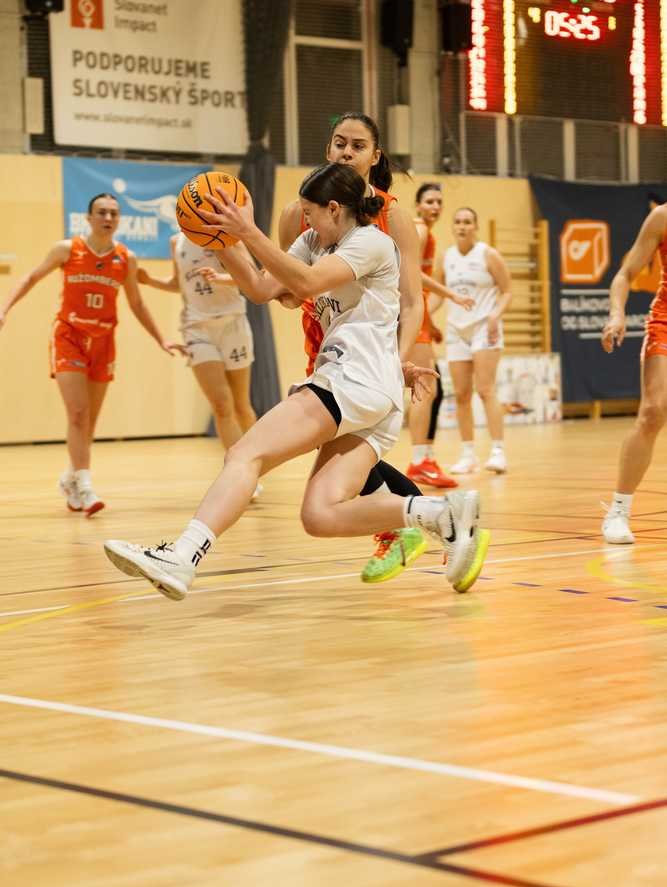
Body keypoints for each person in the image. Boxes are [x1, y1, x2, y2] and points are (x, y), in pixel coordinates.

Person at [103, 164, 490, 599]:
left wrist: (248, 231)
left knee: (244, 454)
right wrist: (223, 240)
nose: (304, 221)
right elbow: (259, 288)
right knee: (319, 515)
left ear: (334, 208)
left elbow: (305, 282)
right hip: (370, 388)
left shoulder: (371, 242)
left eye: (310, 213)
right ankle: (440, 513)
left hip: (353, 378)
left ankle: (182, 556)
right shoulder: (312, 242)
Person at [279, 112, 433, 583]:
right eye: (339, 142)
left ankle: (413, 524)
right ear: (328, 149)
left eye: (358, 145)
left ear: (375, 156)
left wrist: (399, 357)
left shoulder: (392, 214)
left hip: (373, 348)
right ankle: (435, 521)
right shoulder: (297, 213)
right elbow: (290, 289)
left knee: (343, 449)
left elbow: (412, 299)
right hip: (326, 339)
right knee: (342, 449)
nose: (346, 151)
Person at [0, 192, 177, 515]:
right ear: (89, 218)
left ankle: (70, 477)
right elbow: (31, 277)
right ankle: (85, 486)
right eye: (102, 212)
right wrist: (5, 307)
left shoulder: (126, 258)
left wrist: (161, 339)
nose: (108, 218)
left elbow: (137, 303)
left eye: (113, 213)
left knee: (89, 422)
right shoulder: (67, 249)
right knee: (78, 413)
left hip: (104, 340)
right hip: (69, 336)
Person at [136, 233, 257, 451]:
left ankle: (258, 459)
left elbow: (253, 275)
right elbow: (179, 283)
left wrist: (220, 278)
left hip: (232, 323)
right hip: (197, 329)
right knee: (221, 405)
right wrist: (150, 281)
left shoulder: (228, 236)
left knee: (241, 405)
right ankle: (236, 465)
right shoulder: (176, 242)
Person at [601, 200, 667, 543]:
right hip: (665, 323)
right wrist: (617, 313)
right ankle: (618, 510)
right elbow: (625, 274)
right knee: (653, 412)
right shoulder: (662, 216)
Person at [404, 183, 474, 489]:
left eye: (439, 202)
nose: (435, 206)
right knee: (424, 387)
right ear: (418, 205)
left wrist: (430, 322)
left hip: (417, 314)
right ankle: (419, 461)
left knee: (434, 388)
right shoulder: (419, 230)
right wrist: (451, 294)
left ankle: (425, 457)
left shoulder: (424, 232)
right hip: (409, 313)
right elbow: (411, 274)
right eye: (429, 201)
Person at [436, 206, 512, 475]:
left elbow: (507, 291)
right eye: (458, 222)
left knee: (486, 389)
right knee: (461, 394)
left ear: (475, 226)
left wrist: (495, 316)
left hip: (484, 327)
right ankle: (468, 454)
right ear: (453, 226)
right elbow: (438, 293)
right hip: (456, 329)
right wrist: (425, 318)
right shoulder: (446, 257)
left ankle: (498, 452)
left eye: (467, 222)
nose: (462, 226)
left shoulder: (488, 254)